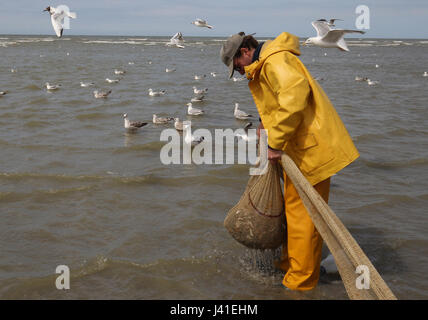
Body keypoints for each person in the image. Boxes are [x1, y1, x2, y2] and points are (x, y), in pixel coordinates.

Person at [220, 32, 359, 291]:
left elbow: (294, 98)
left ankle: (301, 283)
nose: (238, 73)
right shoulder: (268, 63)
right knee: (295, 213)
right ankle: (289, 264)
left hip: (311, 151)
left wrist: (274, 142)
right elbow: (279, 102)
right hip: (298, 150)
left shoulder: (275, 60)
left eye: (236, 66)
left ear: (245, 51)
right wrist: (265, 124)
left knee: (306, 218)